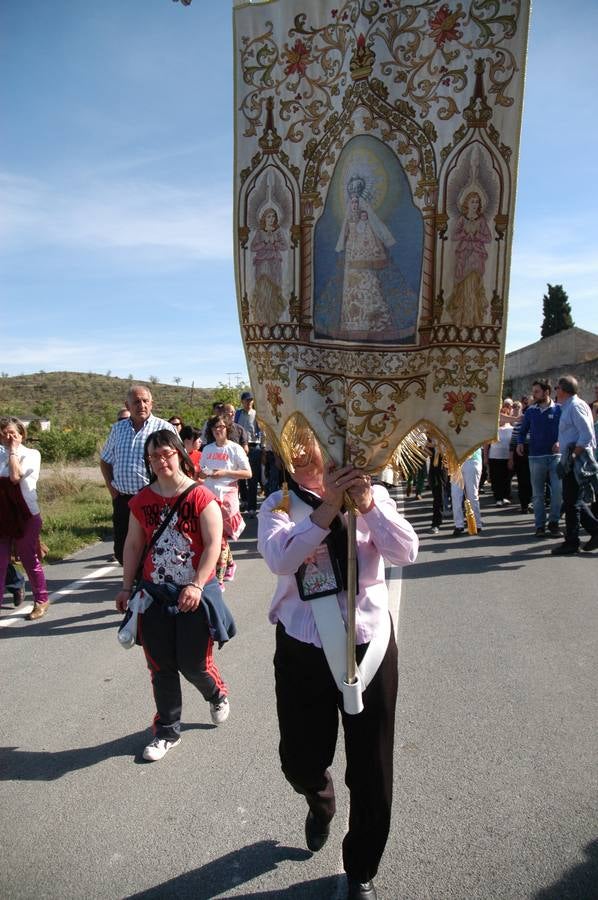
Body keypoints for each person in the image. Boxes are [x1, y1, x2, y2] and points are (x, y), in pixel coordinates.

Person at [257, 426, 418, 900]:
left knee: (372, 769)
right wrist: (327, 510)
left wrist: (365, 506)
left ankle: (361, 869)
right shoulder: (278, 505)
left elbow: (406, 551)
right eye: (300, 453)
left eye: (321, 451)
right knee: (300, 760)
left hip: (369, 647)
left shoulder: (375, 496)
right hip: (304, 649)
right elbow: (281, 559)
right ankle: (318, 799)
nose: (312, 460)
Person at [114, 429, 232, 762]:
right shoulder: (142, 500)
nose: (160, 461)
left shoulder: (200, 496)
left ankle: (216, 693)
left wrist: (196, 584)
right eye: (153, 457)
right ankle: (167, 730)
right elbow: (134, 544)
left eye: (166, 454)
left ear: (180, 453)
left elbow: (212, 545)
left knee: (193, 664)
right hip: (155, 595)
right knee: (160, 666)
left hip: (194, 593)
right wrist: (126, 586)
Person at [100, 386, 175, 564]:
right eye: (136, 402)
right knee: (122, 550)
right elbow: (105, 461)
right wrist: (113, 491)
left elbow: (177, 462)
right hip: (124, 500)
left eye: (145, 401)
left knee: (155, 545)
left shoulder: (164, 428)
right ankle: (136, 581)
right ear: (127, 405)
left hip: (154, 498)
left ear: (152, 403)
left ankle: (144, 585)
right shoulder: (118, 429)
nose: (141, 405)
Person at [0, 416, 50, 620]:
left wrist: (12, 451)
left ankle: (41, 599)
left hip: (25, 515)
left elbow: (15, 477)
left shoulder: (31, 454)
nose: (9, 436)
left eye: (13, 433)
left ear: (22, 435)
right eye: (4, 432)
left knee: (30, 559)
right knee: (0, 562)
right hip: (2, 515)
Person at [200, 416, 251, 586]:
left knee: (218, 538)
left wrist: (224, 473)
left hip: (227, 496)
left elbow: (247, 473)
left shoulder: (235, 449)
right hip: (208, 496)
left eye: (221, 426)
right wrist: (203, 474)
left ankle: (218, 580)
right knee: (218, 538)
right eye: (214, 427)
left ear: (227, 428)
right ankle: (230, 564)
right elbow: (201, 471)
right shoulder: (207, 449)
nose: (218, 430)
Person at [550, 375, 598, 555]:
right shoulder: (570, 406)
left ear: (563, 390)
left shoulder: (575, 406)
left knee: (572, 502)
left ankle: (572, 541)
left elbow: (585, 435)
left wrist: (571, 455)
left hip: (576, 460)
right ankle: (591, 531)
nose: (556, 390)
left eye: (557, 387)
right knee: (573, 500)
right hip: (572, 457)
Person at [516, 380, 562, 537]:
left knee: (557, 491)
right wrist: (520, 443)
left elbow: (567, 429)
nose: (533, 394)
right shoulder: (530, 411)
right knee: (537, 494)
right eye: (533, 391)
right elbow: (522, 431)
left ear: (546, 392)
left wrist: (560, 441)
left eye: (536, 391)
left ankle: (554, 523)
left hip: (556, 456)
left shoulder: (559, 410)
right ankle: (540, 526)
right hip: (535, 457)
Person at [446, 190, 492, 326]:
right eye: (472, 202)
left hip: (476, 256)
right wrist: (466, 235)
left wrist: (476, 236)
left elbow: (488, 238)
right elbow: (454, 235)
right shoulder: (462, 219)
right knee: (463, 285)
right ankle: (462, 317)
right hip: (464, 255)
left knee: (473, 284)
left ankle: (473, 318)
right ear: (467, 203)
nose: (475, 204)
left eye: (477, 202)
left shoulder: (481, 220)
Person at [235, 391, 263, 517]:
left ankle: (252, 507)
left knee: (253, 477)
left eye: (251, 400)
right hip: (239, 447)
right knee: (240, 476)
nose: (249, 402)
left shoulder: (257, 414)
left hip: (254, 446)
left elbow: (262, 431)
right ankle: (244, 500)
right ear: (242, 401)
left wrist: (263, 448)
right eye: (246, 400)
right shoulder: (238, 414)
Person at [450, 448, 483, 535]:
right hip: (455, 462)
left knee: (472, 495)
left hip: (472, 460)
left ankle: (476, 523)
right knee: (455, 495)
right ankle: (458, 525)